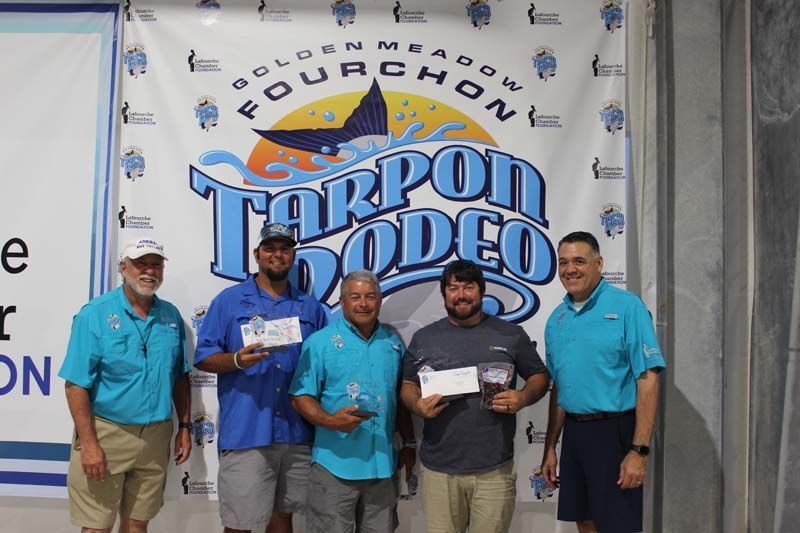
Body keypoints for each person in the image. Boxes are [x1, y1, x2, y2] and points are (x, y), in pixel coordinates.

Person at [194, 222, 328, 533]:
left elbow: (324, 363)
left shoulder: (310, 307)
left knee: (283, 519)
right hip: (248, 432)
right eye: (270, 248)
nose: (277, 255)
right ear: (257, 254)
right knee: (239, 524)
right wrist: (237, 360)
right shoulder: (229, 301)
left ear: (293, 256)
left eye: (285, 248)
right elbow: (203, 357)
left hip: (297, 433)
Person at [400, 259, 549, 533]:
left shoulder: (510, 335)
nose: (461, 295)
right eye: (453, 288)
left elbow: (540, 376)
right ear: (444, 293)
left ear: (481, 291)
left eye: (468, 287)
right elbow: (408, 384)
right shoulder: (424, 338)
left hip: (494, 469)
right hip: (439, 471)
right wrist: (417, 405)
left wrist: (523, 397)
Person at [59, 237, 191, 532]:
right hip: (107, 433)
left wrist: (184, 427)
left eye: (155, 264)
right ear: (123, 267)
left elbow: (180, 376)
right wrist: (89, 443)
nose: (149, 271)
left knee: (137, 525)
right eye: (140, 263)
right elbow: (75, 385)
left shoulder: (171, 316)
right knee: (97, 527)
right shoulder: (94, 314)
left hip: (156, 435)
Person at [540, 231, 665, 533]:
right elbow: (560, 386)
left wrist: (639, 450)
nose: (571, 269)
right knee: (585, 521)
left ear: (599, 263)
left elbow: (648, 379)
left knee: (618, 526)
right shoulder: (556, 319)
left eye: (580, 261)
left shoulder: (627, 307)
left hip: (616, 433)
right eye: (564, 262)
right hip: (575, 433)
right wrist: (550, 447)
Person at [289, 270, 416, 532]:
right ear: (343, 301)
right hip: (335, 466)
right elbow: (300, 396)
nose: (363, 303)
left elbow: (401, 398)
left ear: (380, 300)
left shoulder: (392, 342)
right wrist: (331, 421)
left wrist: (409, 441)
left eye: (371, 296)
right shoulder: (320, 342)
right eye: (355, 296)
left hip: (383, 464)